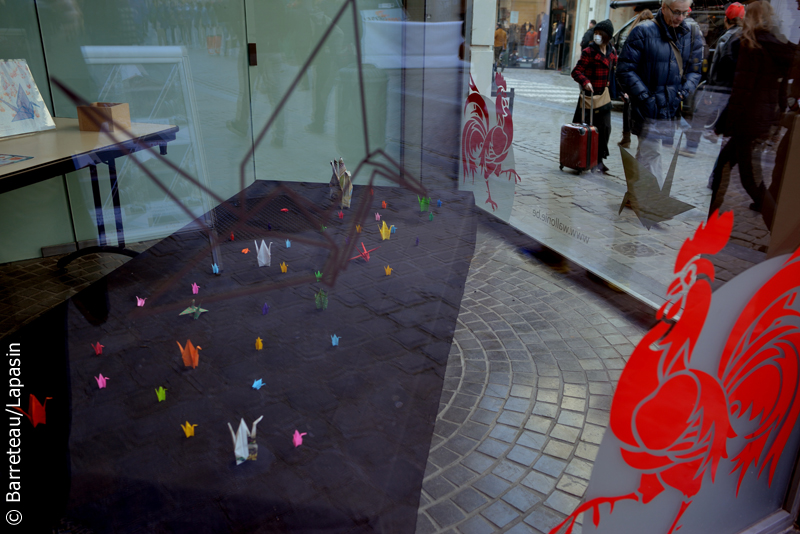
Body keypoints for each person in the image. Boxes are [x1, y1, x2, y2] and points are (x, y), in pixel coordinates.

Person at [708, 1, 795, 215]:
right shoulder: (777, 44)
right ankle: (713, 217)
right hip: (759, 120)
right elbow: (781, 90)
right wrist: (776, 118)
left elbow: (742, 91)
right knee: (724, 168)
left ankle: (775, 222)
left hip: (747, 121)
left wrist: (723, 123)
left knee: (749, 179)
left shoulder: (751, 44)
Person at [616, 0, 704, 184]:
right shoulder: (643, 31)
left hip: (671, 107)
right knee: (652, 152)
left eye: (684, 12)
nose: (680, 17)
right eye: (676, 12)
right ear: (664, 7)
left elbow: (695, 71)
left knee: (647, 152)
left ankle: (637, 194)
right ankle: (653, 201)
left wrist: (683, 91)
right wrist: (645, 98)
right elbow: (625, 70)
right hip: (648, 108)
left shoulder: (691, 34)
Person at [571, 20, 618, 174]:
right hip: (588, 97)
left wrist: (622, 91)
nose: (597, 36)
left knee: (604, 129)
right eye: (595, 33)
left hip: (603, 97)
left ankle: (598, 161)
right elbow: (576, 71)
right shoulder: (589, 51)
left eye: (600, 34)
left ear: (607, 36)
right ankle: (579, 159)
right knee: (584, 128)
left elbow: (616, 72)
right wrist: (585, 82)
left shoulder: (612, 52)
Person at [618, 9, 654, 148]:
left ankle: (627, 137)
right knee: (643, 113)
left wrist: (624, 88)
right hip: (644, 82)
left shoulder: (632, 34)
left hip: (634, 82)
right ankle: (638, 141)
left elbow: (625, 66)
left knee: (629, 108)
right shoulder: (652, 35)